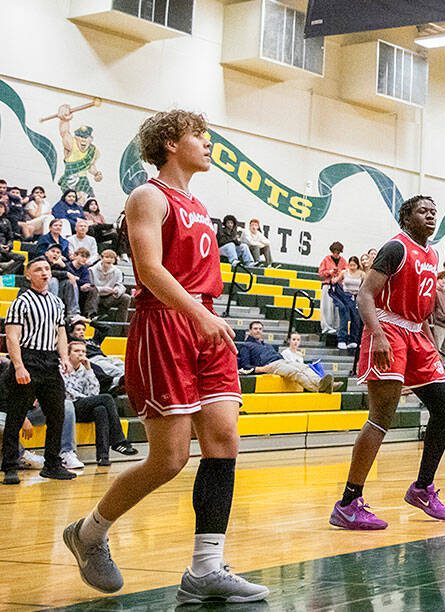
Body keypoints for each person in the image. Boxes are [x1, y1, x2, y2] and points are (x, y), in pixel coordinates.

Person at [64, 109, 268, 602]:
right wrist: (196, 313)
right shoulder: (147, 196)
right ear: (170, 144)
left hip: (205, 325)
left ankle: (206, 568)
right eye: (198, 135)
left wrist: (205, 315)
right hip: (166, 326)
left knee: (224, 442)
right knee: (170, 458)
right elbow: (150, 268)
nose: (207, 142)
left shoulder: (198, 204)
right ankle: (88, 533)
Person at [331, 196, 445, 531]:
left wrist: (429, 343)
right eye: (423, 211)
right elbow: (365, 295)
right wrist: (378, 334)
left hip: (416, 333)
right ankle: (348, 502)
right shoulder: (395, 248)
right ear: (406, 217)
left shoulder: (431, 254)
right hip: (387, 328)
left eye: (434, 211)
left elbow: (423, 308)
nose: (430, 215)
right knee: (381, 418)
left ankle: (422, 488)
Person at [2, 257, 76, 484]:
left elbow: (61, 333)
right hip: (29, 358)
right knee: (16, 415)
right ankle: (10, 467)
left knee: (57, 414)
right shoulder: (21, 302)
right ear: (28, 275)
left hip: (50, 361)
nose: (44, 272)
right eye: (38, 269)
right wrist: (19, 366)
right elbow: (12, 336)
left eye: (47, 269)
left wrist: (64, 357)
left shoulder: (56, 302)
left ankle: (52, 464)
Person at [62, 339, 136, 466]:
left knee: (100, 409)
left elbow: (94, 393)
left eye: (83, 351)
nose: (81, 354)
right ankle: (119, 441)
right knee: (106, 398)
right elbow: (67, 392)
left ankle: (103, 456)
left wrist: (89, 370)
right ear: (68, 354)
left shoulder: (85, 370)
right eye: (76, 351)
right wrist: (86, 399)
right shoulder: (62, 368)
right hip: (69, 407)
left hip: (83, 405)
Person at [238, 322, 334, 392]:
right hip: (270, 366)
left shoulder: (267, 345)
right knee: (295, 372)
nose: (258, 331)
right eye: (255, 329)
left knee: (304, 367)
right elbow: (245, 365)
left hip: (281, 361)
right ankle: (319, 387)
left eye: (260, 329)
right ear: (250, 331)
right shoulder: (246, 346)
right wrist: (262, 369)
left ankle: (323, 383)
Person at [335, 256, 365, 350]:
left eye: (354, 265)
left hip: (356, 296)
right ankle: (342, 339)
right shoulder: (344, 272)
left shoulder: (362, 274)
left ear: (357, 265)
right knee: (344, 318)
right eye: (350, 265)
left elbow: (364, 285)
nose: (352, 267)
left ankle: (353, 340)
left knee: (355, 319)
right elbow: (337, 281)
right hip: (345, 296)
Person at [67, 248, 99, 319]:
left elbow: (86, 281)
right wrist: (79, 285)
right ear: (75, 256)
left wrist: (79, 281)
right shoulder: (68, 266)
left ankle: (90, 315)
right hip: (69, 290)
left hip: (81, 291)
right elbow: (70, 280)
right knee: (71, 284)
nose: (84, 259)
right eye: (82, 256)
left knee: (93, 288)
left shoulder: (84, 268)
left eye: (86, 257)